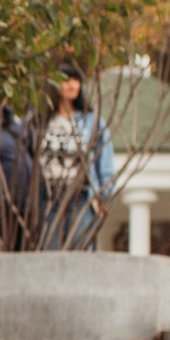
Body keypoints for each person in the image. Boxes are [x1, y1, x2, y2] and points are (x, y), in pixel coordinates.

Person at [33, 63, 117, 249]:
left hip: (81, 199)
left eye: (76, 80)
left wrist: (105, 196)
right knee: (49, 254)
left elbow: (106, 163)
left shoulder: (91, 120)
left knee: (81, 254)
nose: (72, 85)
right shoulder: (40, 122)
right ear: (54, 85)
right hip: (48, 200)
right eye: (66, 80)